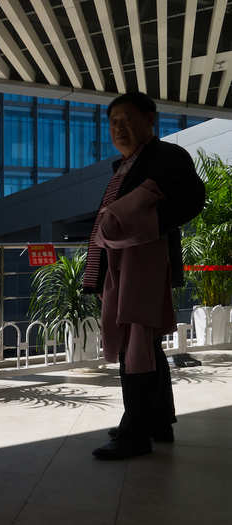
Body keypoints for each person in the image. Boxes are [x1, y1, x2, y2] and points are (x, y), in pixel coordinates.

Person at [83, 92, 205, 460]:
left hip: (143, 267)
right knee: (144, 347)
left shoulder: (166, 156)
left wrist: (148, 228)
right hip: (128, 268)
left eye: (127, 119)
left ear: (151, 119)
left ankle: (135, 432)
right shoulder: (123, 165)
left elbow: (192, 199)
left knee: (133, 350)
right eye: (113, 122)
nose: (119, 128)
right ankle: (157, 422)